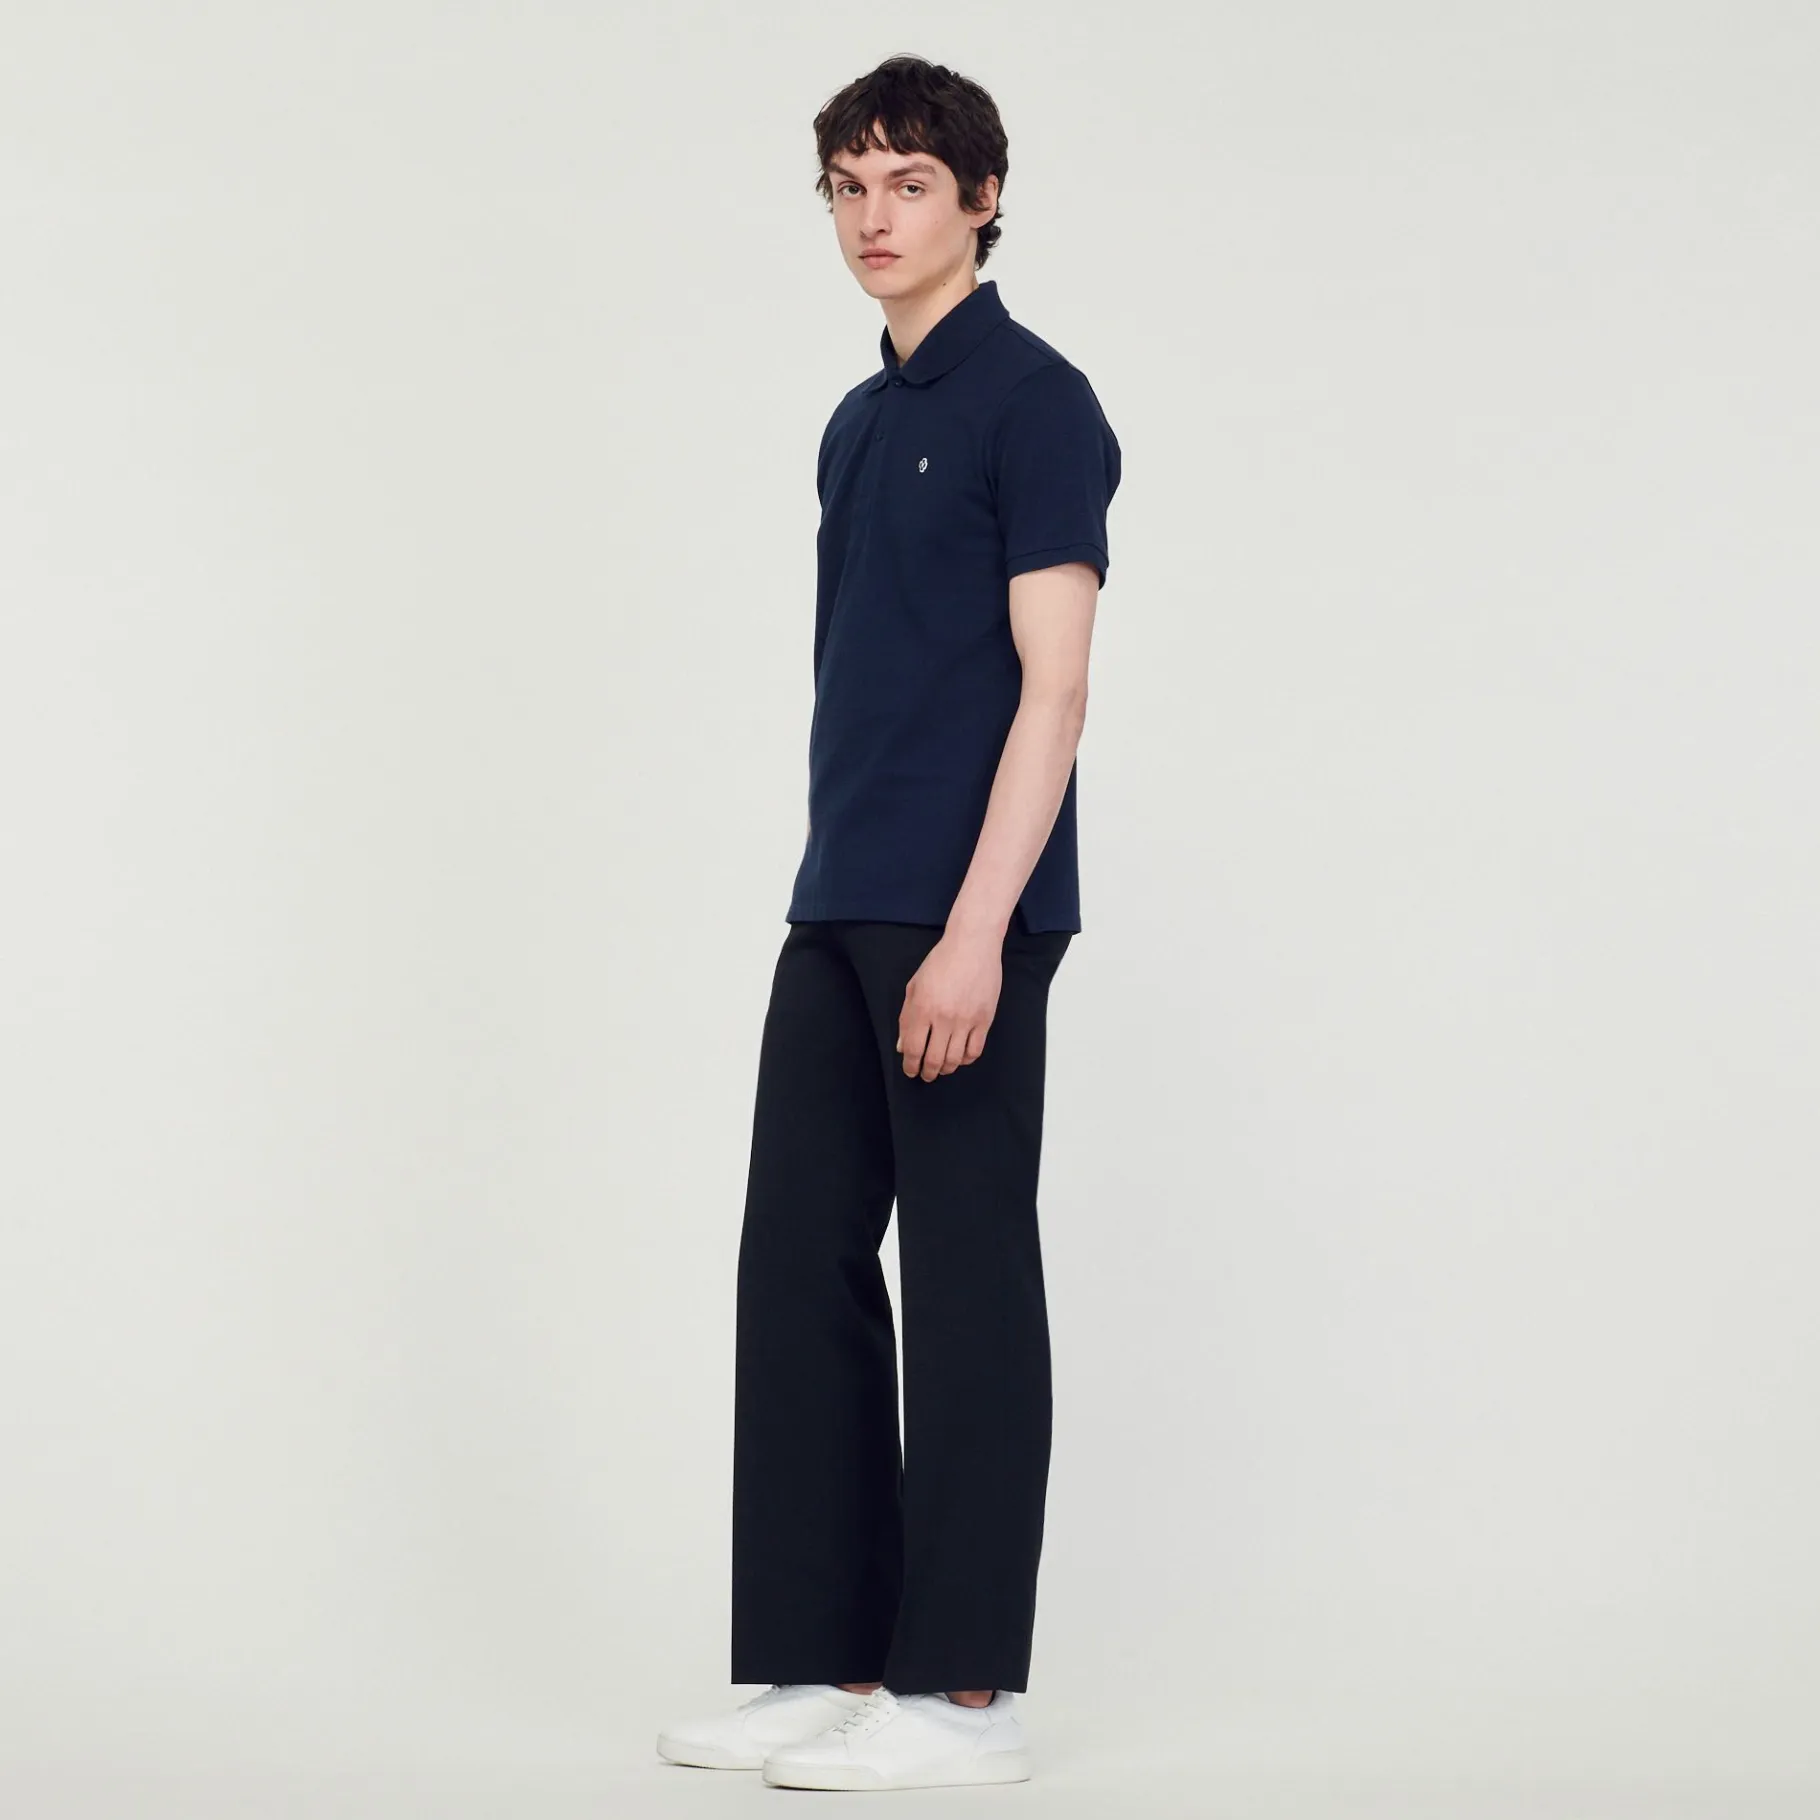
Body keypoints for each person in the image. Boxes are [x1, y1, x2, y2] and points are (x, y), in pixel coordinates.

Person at [657, 53, 1121, 1793]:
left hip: (964, 910)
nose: (875, 216)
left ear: (982, 200)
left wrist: (978, 931)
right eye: (849, 186)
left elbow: (1055, 690)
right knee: (797, 1264)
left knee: (968, 1273)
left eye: (911, 183)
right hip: (838, 891)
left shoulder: (1039, 403)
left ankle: (964, 1700)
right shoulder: (856, 422)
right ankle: (826, 1660)